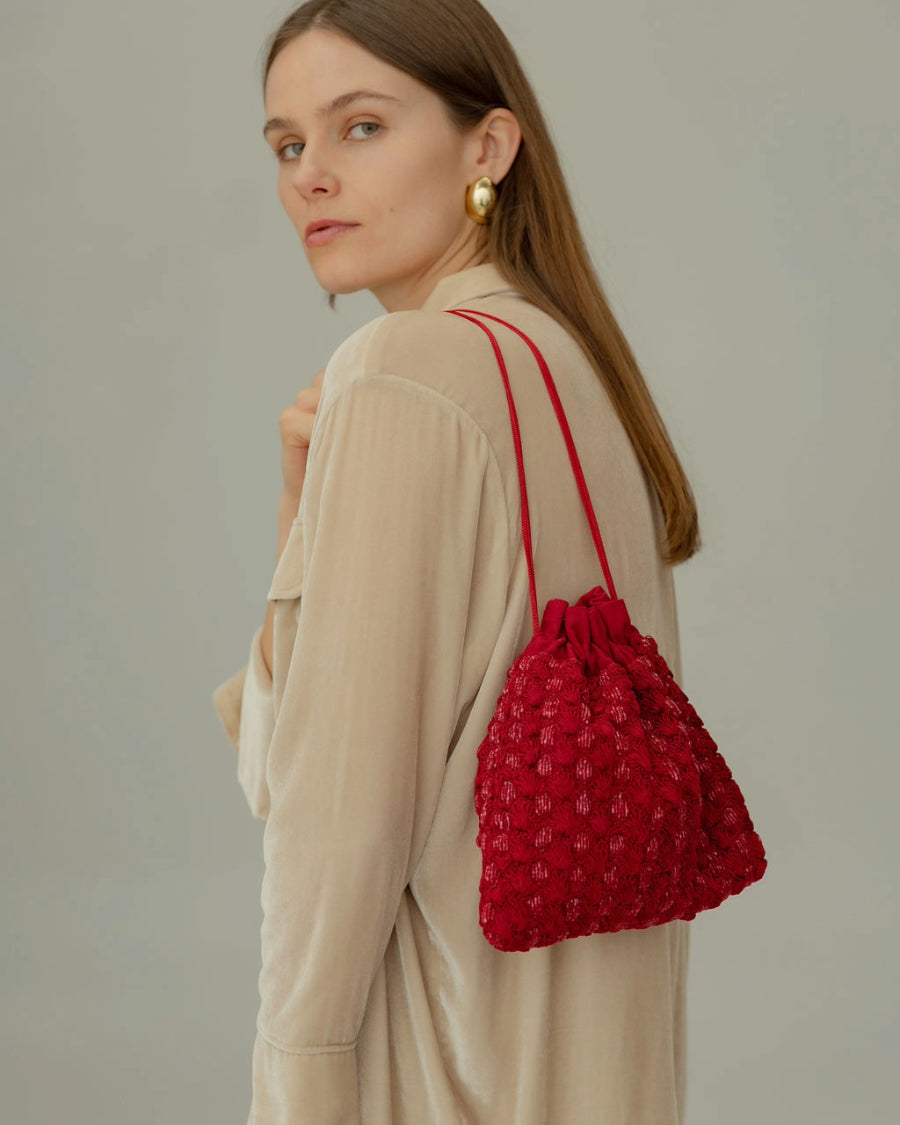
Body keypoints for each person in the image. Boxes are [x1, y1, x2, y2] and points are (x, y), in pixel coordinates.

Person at [212, 2, 701, 1122]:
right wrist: (305, 501)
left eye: (361, 127)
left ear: (488, 146)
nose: (311, 175)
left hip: (441, 1073)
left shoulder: (402, 367)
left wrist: (297, 1081)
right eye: (288, 144)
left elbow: (324, 811)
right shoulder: (571, 365)